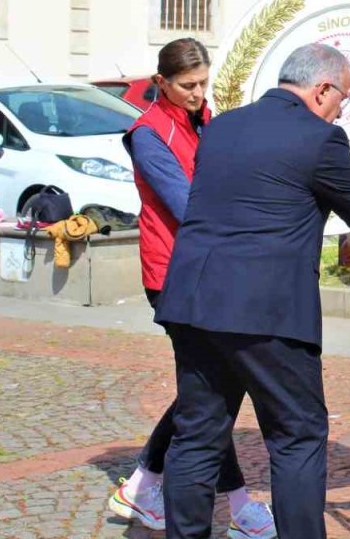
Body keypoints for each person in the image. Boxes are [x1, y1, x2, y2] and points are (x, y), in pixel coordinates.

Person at [154, 43, 350, 539]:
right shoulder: (320, 138)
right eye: (343, 97)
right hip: (268, 310)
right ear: (322, 89)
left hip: (194, 300)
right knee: (297, 436)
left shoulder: (221, 127)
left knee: (197, 437)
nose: (342, 108)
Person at [112, 39, 274, 537]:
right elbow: (187, 205)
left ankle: (143, 482)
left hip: (212, 270)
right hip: (174, 276)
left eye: (203, 82)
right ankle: (233, 503)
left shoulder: (206, 119)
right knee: (210, 390)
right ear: (161, 82)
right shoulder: (148, 134)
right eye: (188, 85)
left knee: (210, 389)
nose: (199, 93)